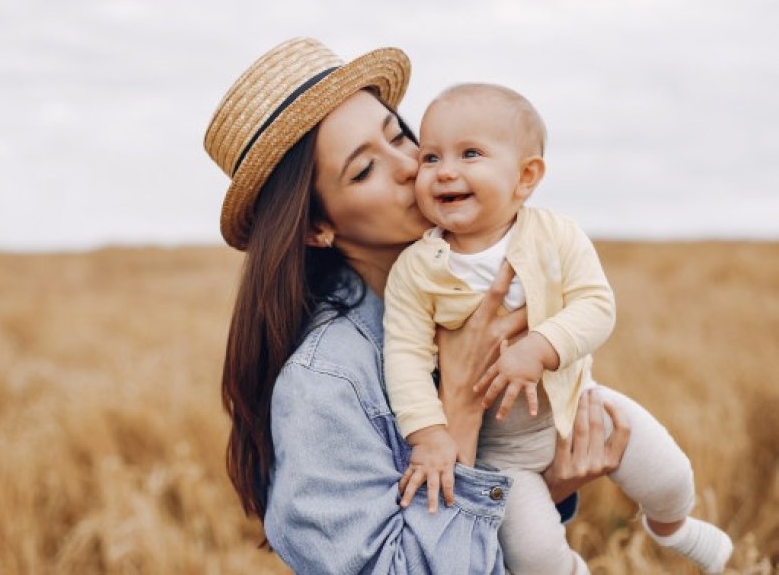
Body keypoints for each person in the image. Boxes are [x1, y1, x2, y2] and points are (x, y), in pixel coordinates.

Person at [203, 38, 630, 574]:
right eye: (364, 170)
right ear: (317, 227)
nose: (412, 166)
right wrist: (458, 405)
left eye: (400, 136)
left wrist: (554, 485)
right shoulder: (326, 382)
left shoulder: (466, 295)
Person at [382, 83, 733, 574]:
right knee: (534, 557)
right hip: (500, 452)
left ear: (525, 177)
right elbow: (403, 355)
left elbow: (595, 303)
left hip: (577, 401)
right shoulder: (417, 269)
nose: (446, 171)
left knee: (671, 475)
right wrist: (428, 435)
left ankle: (672, 526)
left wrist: (541, 347)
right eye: (430, 157)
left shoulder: (554, 234)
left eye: (470, 153)